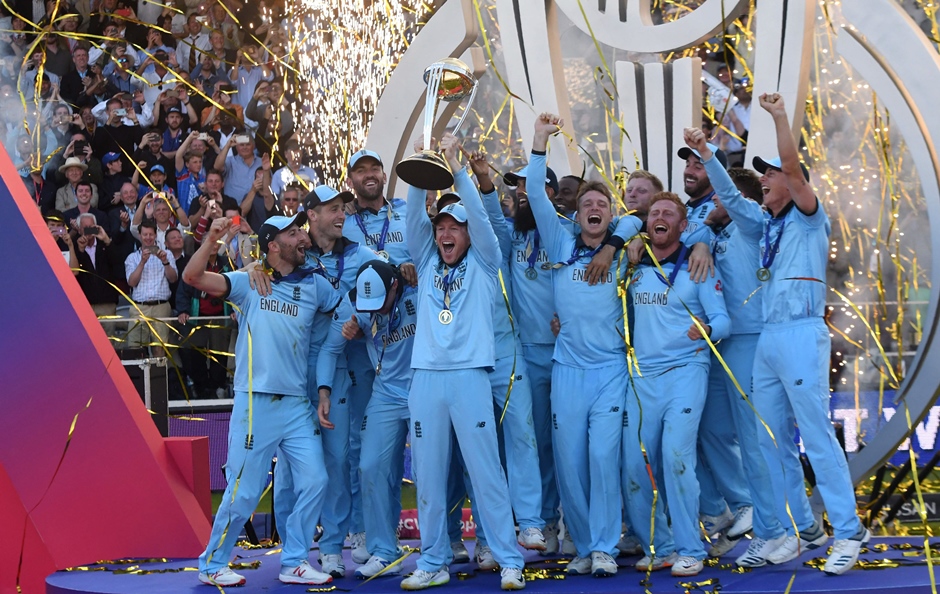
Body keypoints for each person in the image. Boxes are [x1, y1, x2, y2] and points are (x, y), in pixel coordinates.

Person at [683, 94, 870, 576]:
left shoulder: (810, 219)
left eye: (771, 174)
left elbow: (791, 166)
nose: (765, 179)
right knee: (768, 443)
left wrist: (780, 117)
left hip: (802, 335)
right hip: (769, 337)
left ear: (793, 183)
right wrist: (707, 154)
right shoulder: (764, 224)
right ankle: (788, 532)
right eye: (762, 174)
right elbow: (728, 195)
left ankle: (849, 532)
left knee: (815, 436)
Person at [186, 213, 338, 587]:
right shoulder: (248, 282)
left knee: (316, 479)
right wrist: (213, 241)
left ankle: (295, 560)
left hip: (296, 405)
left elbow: (344, 307)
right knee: (244, 492)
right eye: (293, 232)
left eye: (301, 230)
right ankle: (211, 563)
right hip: (256, 403)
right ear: (273, 245)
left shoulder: (315, 284)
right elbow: (192, 278)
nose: (302, 236)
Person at [403, 133, 524, 591]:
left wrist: (455, 170)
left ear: (469, 230)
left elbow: (479, 217)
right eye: (442, 226)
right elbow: (415, 215)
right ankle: (432, 561)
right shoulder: (428, 260)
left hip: (472, 376)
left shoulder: (486, 260)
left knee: (486, 473)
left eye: (455, 225)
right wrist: (419, 166)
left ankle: (509, 559)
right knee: (429, 477)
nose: (446, 233)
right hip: (427, 379)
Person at [524, 113, 642, 577]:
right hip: (567, 371)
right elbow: (535, 194)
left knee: (600, 458)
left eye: (603, 204)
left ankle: (606, 548)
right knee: (570, 464)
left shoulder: (622, 240)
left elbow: (639, 219)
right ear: (576, 216)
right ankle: (583, 545)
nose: (595, 206)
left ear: (610, 216)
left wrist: (612, 245)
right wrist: (539, 140)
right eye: (588, 203)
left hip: (610, 371)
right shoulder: (559, 243)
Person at [622, 192, 731, 577]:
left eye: (669, 213)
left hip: (687, 370)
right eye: (654, 213)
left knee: (676, 457)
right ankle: (661, 546)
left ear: (684, 226)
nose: (660, 217)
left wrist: (706, 330)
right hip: (642, 377)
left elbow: (723, 320)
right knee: (636, 463)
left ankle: (691, 549)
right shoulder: (633, 262)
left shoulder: (698, 263)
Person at [315, 262, 418, 579]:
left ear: (395, 287)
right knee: (369, 466)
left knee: (431, 472)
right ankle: (386, 552)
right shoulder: (356, 302)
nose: (372, 312)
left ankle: (438, 553)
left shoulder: (418, 290)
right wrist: (324, 392)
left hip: (423, 388)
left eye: (381, 304)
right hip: (385, 393)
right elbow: (330, 349)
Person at [342, 148, 417, 562]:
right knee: (363, 446)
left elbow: (427, 256)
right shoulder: (343, 222)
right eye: (361, 169)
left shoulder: (406, 211)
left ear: (384, 174)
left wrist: (410, 269)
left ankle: (446, 541)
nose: (370, 174)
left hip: (409, 335)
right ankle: (366, 533)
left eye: (375, 167)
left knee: (433, 454)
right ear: (351, 178)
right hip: (363, 344)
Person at [124, 219, 178, 357]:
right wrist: (142, 262)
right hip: (139, 308)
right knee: (136, 349)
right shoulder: (132, 257)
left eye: (151, 234)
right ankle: (140, 379)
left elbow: (173, 279)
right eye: (145, 234)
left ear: (155, 236)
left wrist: (165, 262)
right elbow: (131, 282)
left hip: (161, 307)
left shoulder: (167, 254)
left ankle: (158, 379)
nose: (148, 238)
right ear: (140, 236)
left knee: (160, 351)